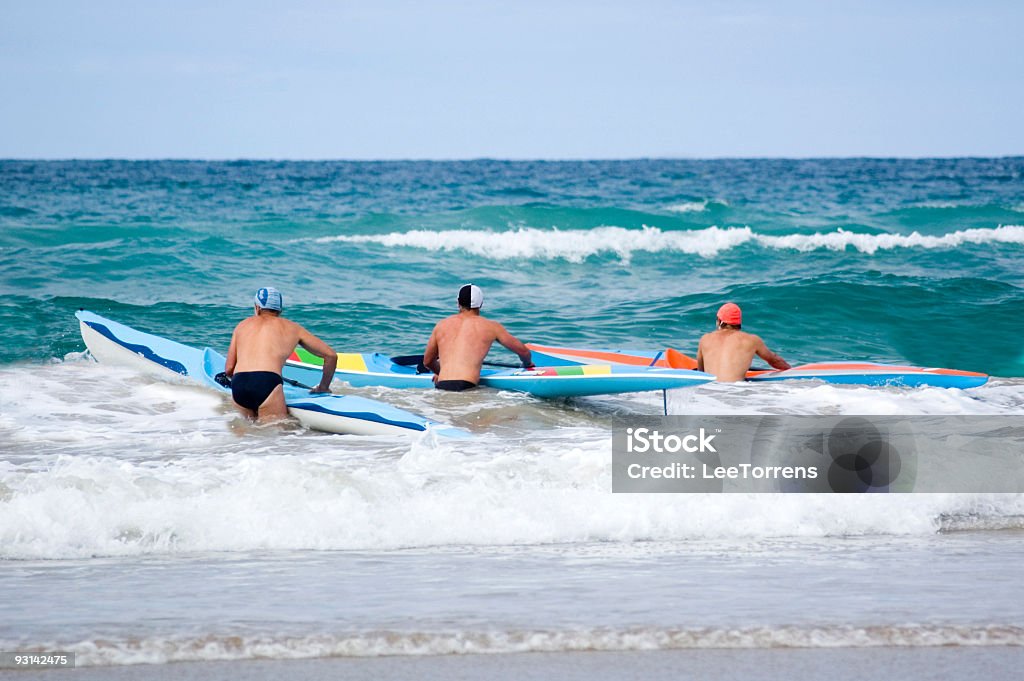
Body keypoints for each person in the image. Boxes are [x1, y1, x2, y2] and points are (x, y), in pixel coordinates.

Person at [224, 287, 338, 421]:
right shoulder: (293, 328)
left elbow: (229, 369)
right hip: (267, 381)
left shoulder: (242, 326)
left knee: (245, 435)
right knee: (274, 435)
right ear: (279, 309)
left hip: (239, 383)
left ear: (257, 307)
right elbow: (331, 355)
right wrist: (323, 387)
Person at [422, 284, 534, 391]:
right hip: (467, 388)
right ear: (481, 304)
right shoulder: (491, 326)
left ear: (458, 303)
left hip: (441, 387)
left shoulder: (441, 325)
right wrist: (527, 364)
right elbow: (523, 352)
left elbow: (427, 361)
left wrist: (442, 372)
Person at [695, 302, 790, 382]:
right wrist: (790, 370)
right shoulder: (751, 340)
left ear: (719, 321)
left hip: (710, 391)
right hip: (735, 390)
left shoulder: (704, 339)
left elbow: (701, 373)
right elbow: (775, 360)